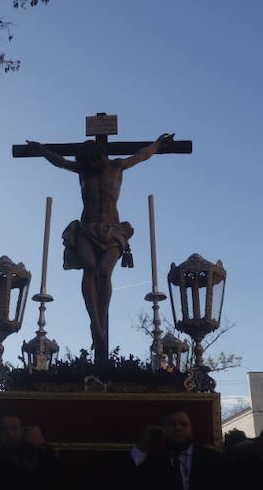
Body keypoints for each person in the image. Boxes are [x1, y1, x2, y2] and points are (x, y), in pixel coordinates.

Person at [25, 131, 174, 358]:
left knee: (105, 272)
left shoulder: (117, 166)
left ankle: (99, 324)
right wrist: (42, 150)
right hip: (87, 228)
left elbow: (142, 155)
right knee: (90, 268)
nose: (91, 165)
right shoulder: (83, 171)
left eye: (93, 160)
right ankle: (95, 324)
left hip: (113, 231)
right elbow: (60, 162)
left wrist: (158, 144)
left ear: (101, 155)